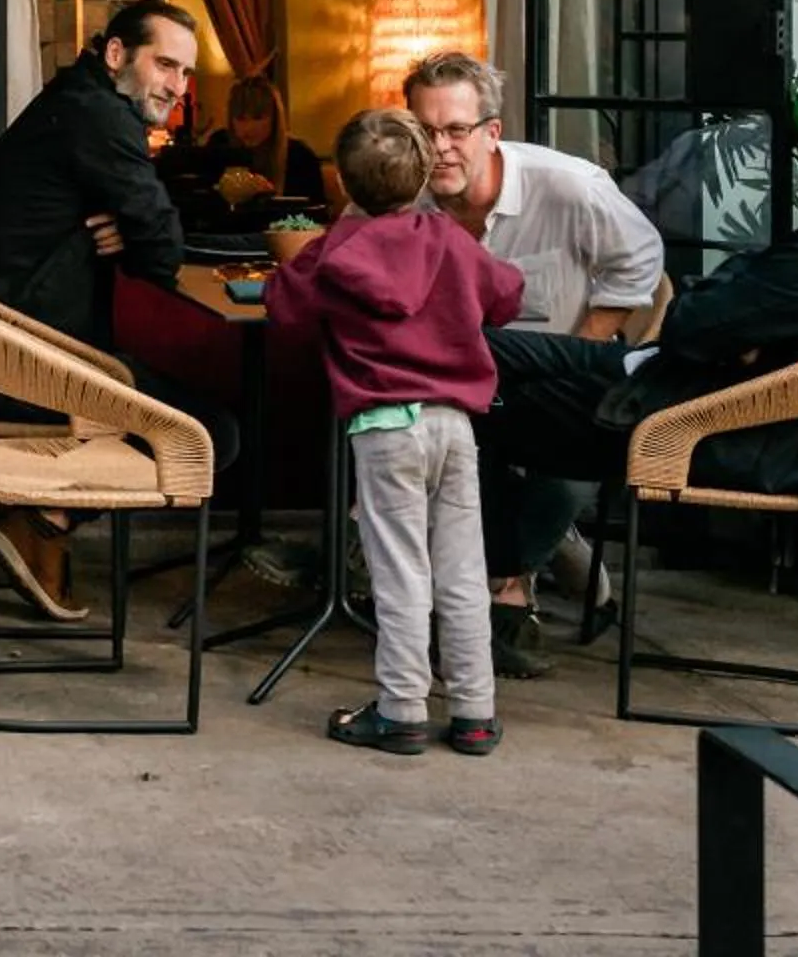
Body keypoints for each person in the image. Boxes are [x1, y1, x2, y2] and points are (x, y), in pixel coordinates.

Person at [476, 62, 798, 651]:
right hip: (669, 380)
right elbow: (709, 319)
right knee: (477, 349)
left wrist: (721, 307)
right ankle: (518, 567)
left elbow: (689, 321)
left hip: (702, 427)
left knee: (470, 393)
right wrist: (728, 313)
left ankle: (496, 590)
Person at [0, 0, 238, 619]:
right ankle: (44, 520)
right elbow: (162, 247)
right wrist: (135, 235)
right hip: (16, 369)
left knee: (188, 411)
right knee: (214, 431)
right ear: (116, 54)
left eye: (185, 73)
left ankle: (34, 518)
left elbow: (142, 230)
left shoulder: (74, 101)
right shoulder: (101, 117)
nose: (178, 87)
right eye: (165, 65)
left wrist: (122, 232)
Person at [268, 109, 525, 758]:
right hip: (454, 424)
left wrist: (333, 235)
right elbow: (508, 295)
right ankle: (474, 711)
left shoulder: (337, 249)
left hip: (384, 429)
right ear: (420, 177)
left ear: (345, 184)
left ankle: (402, 707)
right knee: (464, 569)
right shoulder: (449, 241)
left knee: (401, 568)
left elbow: (283, 306)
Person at [402, 51, 665, 676]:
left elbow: (643, 261)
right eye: (424, 131)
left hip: (560, 377)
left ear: (492, 132)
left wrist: (588, 348)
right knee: (431, 436)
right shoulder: (401, 192)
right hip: (457, 384)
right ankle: (517, 572)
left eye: (456, 130)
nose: (439, 148)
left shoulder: (568, 186)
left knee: (563, 467)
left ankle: (506, 588)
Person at [162, 77, 328, 227]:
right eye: (240, 118)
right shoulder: (221, 146)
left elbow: (316, 217)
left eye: (258, 118)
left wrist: (267, 201)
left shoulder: (299, 156)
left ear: (275, 118)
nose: (248, 127)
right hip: (228, 235)